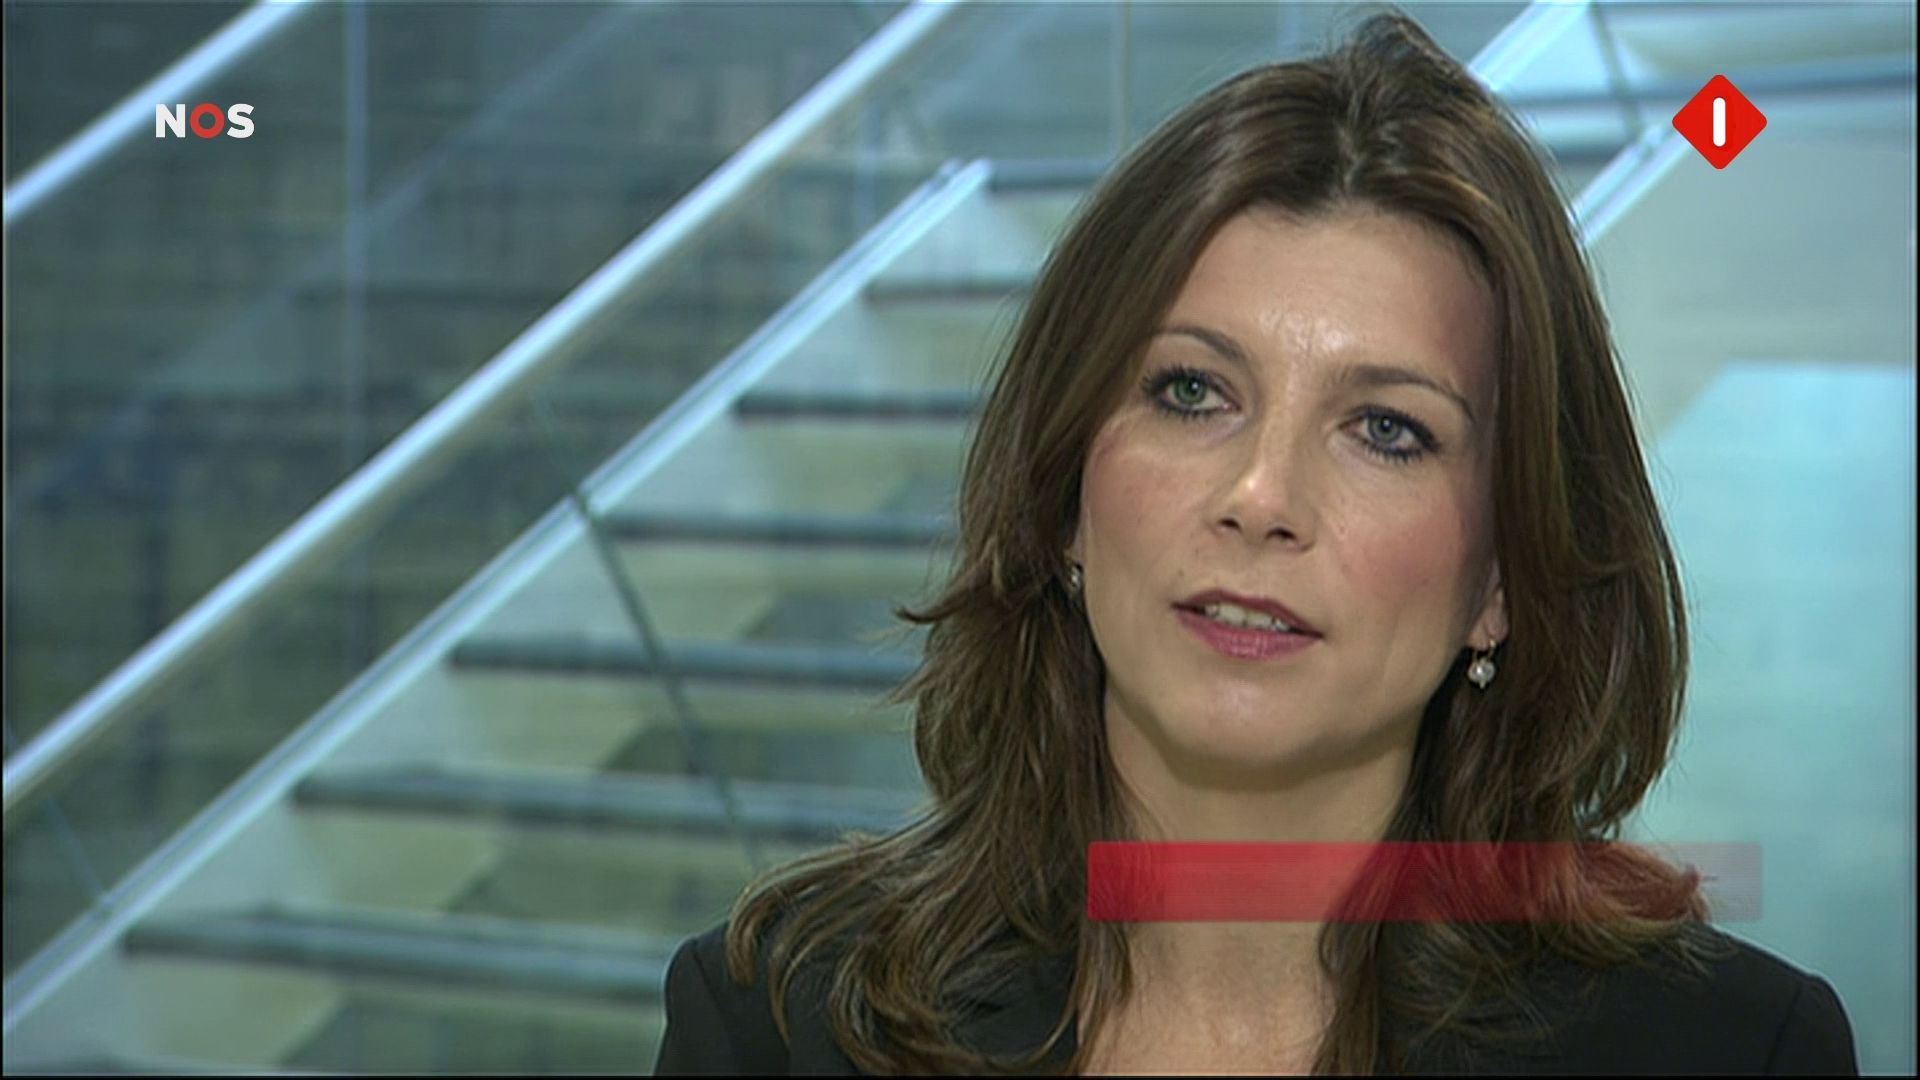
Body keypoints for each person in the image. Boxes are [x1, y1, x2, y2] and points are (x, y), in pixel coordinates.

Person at [652, 9, 1859, 1075]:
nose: (1261, 494)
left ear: (1500, 578)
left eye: (1386, 430)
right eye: (1191, 392)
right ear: (1067, 495)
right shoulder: (777, 1021)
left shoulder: (1727, 1051)